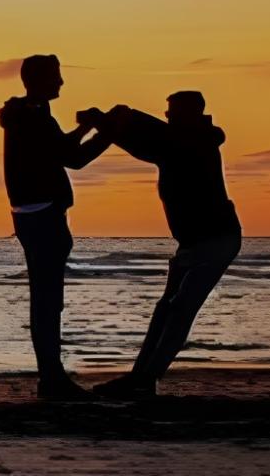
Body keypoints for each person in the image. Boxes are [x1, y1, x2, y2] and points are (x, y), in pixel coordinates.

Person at [92, 91, 243, 400]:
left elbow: (153, 143)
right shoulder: (183, 138)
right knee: (166, 310)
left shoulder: (193, 141)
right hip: (193, 243)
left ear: (191, 113)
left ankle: (146, 378)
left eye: (172, 112)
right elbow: (153, 141)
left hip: (215, 239)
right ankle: (141, 378)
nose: (167, 116)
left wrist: (120, 120)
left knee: (179, 310)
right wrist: (117, 122)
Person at [0, 54, 115, 400]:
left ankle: (51, 375)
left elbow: (59, 147)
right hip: (43, 214)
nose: (61, 83)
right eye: (56, 77)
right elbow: (73, 157)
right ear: (38, 79)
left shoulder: (28, 115)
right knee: (48, 300)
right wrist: (107, 131)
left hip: (30, 213)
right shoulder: (32, 116)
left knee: (46, 298)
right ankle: (51, 378)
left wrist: (86, 128)